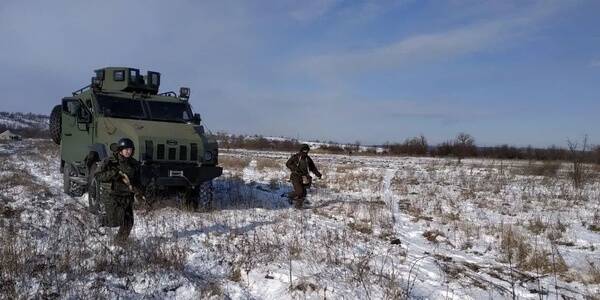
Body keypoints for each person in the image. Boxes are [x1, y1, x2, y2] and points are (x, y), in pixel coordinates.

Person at [94, 138, 143, 243]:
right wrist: (113, 174)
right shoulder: (110, 161)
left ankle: (119, 242)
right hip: (112, 195)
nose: (128, 151)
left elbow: (137, 181)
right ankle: (101, 220)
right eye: (126, 149)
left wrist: (139, 191)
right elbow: (98, 175)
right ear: (120, 150)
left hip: (127, 197)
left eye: (130, 149)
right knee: (115, 220)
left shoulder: (134, 164)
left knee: (128, 222)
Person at [286, 144, 322, 208]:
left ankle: (298, 206)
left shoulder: (308, 159)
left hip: (305, 178)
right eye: (304, 150)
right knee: (299, 191)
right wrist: (294, 168)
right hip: (295, 176)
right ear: (301, 150)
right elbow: (288, 164)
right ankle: (290, 196)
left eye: (307, 150)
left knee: (304, 193)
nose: (305, 151)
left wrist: (318, 174)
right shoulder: (296, 157)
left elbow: (313, 168)